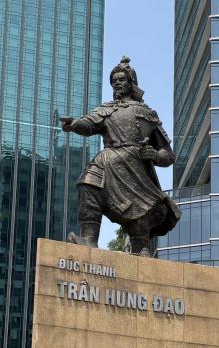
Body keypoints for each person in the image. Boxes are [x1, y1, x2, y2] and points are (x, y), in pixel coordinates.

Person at [59, 55, 180, 255]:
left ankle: (140, 249)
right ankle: (88, 239)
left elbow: (168, 155)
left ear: (131, 82)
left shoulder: (148, 113)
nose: (117, 83)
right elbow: (88, 125)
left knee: (140, 212)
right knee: (87, 185)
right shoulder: (106, 109)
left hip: (136, 167)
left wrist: (155, 155)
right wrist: (75, 124)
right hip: (107, 160)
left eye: (121, 79)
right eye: (114, 80)